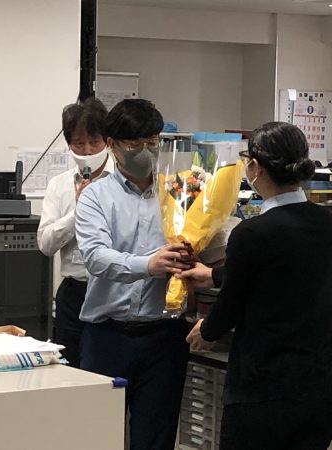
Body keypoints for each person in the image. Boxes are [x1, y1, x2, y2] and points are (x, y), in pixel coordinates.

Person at [180, 121, 332, 450]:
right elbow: (283, 271)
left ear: (254, 167)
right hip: (318, 385)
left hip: (265, 387)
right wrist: (214, 275)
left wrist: (206, 330)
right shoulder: (324, 221)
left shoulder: (252, 232)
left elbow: (232, 303)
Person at [75, 99, 192, 450]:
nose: (145, 151)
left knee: (156, 438)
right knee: (97, 436)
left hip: (165, 336)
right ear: (112, 145)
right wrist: (148, 265)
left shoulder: (181, 193)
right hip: (107, 336)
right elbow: (96, 257)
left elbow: (207, 240)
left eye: (152, 142)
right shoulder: (96, 196)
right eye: (134, 144)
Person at [37, 97, 112, 368]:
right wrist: (78, 212)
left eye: (94, 142)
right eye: (79, 143)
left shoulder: (122, 181)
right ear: (69, 144)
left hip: (112, 289)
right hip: (74, 291)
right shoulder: (59, 185)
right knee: (70, 369)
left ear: (107, 141)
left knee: (104, 367)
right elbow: (45, 244)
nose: (88, 150)